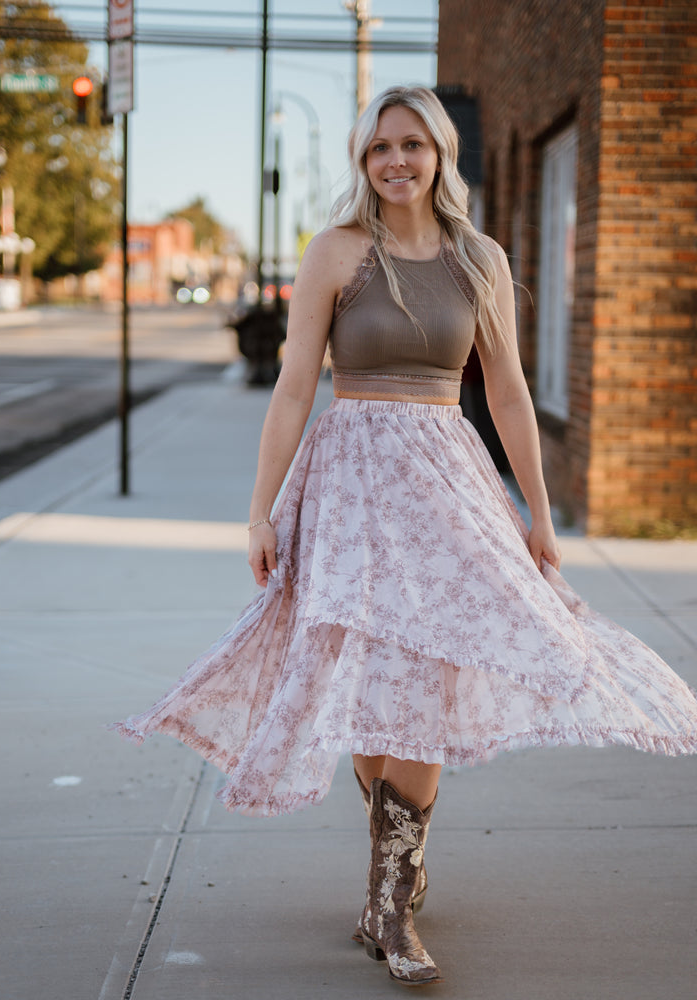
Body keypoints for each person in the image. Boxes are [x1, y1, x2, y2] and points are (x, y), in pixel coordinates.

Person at [113, 85, 697, 987]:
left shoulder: (481, 260)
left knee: (422, 677)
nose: (396, 161)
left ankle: (390, 904)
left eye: (413, 145)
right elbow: (294, 388)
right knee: (367, 683)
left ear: (440, 155)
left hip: (446, 485)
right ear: (363, 160)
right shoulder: (337, 252)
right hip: (346, 483)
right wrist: (262, 509)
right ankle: (400, 864)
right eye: (380, 146)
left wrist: (539, 513)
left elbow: (505, 393)